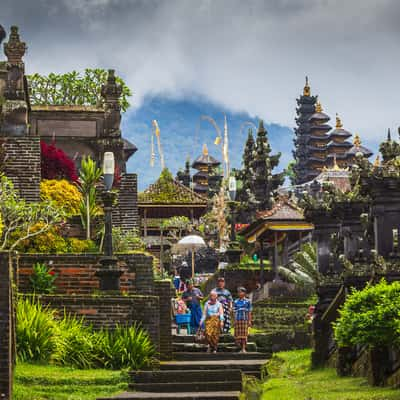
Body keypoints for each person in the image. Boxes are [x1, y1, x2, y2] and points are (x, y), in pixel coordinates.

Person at [233, 287, 252, 353]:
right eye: (238, 292)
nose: (239, 293)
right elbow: (234, 311)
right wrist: (234, 320)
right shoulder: (235, 301)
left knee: (244, 334)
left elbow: (249, 311)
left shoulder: (248, 301)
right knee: (238, 334)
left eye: (241, 292)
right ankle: (240, 347)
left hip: (245, 319)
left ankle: (243, 348)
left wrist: (249, 321)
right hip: (238, 319)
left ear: (244, 293)